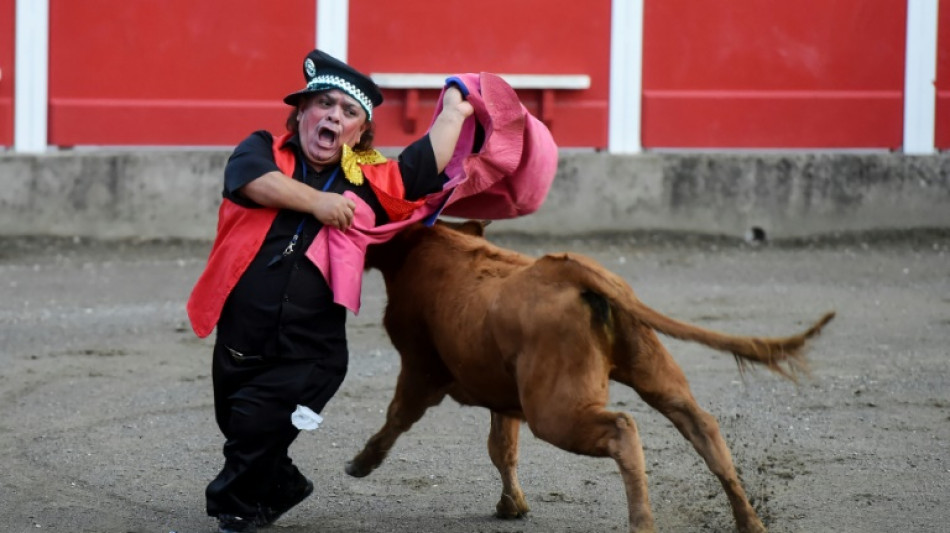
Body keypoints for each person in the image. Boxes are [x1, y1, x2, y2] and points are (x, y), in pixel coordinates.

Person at [186, 49, 473, 533]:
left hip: (310, 352)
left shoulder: (369, 181)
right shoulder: (261, 150)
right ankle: (283, 486)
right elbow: (250, 181)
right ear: (302, 112)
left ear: (359, 133)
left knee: (254, 431)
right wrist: (320, 203)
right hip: (240, 339)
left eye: (348, 112)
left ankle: (232, 509)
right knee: (242, 430)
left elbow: (422, 166)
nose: (333, 116)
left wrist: (455, 109)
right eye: (324, 104)